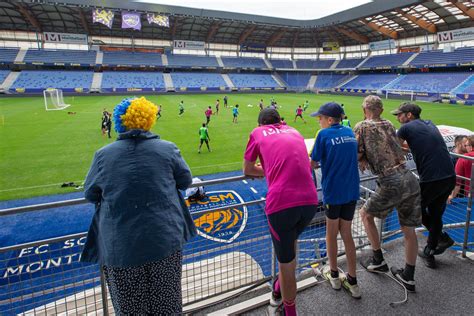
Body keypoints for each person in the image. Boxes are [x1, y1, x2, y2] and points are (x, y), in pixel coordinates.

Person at [81, 97, 196, 314]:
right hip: (164, 239)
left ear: (119, 122)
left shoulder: (103, 155)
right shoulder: (167, 149)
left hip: (121, 247)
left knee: (130, 309)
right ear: (148, 119)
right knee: (168, 304)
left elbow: (90, 193)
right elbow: (185, 181)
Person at [243, 108, 318, 316]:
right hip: (310, 201)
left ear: (261, 124)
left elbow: (247, 170)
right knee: (290, 248)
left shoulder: (257, 133)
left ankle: (289, 311)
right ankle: (277, 291)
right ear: (280, 121)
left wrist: (267, 169)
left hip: (282, 204)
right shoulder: (294, 131)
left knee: (285, 264)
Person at [355, 95, 421, 292]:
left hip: (391, 180)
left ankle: (378, 259)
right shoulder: (390, 123)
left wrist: (362, 157)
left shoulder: (362, 126)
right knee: (408, 230)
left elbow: (357, 153)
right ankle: (408, 276)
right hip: (409, 178)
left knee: (365, 215)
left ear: (364, 109)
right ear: (381, 110)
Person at [393, 102, 456, 269]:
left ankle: (440, 239)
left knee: (414, 209)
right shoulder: (429, 123)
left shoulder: (406, 128)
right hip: (449, 176)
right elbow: (418, 145)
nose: (398, 118)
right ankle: (430, 249)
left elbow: (395, 147)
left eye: (400, 114)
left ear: (409, 115)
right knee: (435, 214)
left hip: (431, 179)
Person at [309, 102, 361, 298]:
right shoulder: (349, 132)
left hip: (334, 192)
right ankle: (353, 281)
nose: (319, 121)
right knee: (346, 233)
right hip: (352, 190)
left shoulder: (323, 135)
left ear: (329, 120)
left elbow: (313, 162)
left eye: (320, 118)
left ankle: (334, 276)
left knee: (331, 234)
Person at [448, 135, 474, 204]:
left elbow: (457, 182)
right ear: (459, 145)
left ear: (471, 147)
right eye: (464, 145)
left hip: (468, 195)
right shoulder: (453, 159)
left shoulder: (463, 158)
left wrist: (451, 196)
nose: (466, 147)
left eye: (466, 145)